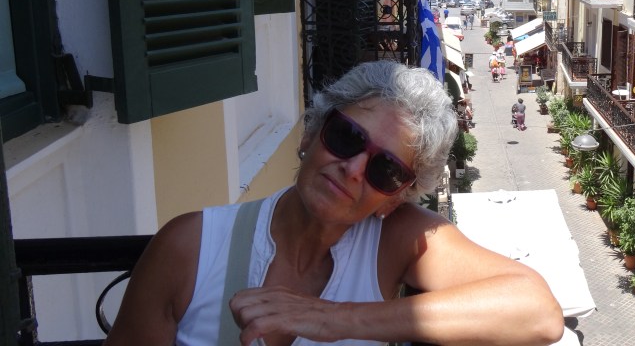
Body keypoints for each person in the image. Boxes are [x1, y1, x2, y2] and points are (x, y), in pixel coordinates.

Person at [104, 61, 563, 346]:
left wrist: (333, 319)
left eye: (386, 170)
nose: (355, 169)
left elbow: (537, 312)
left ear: (395, 199)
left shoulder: (393, 241)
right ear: (309, 135)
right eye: (346, 138)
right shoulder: (190, 247)